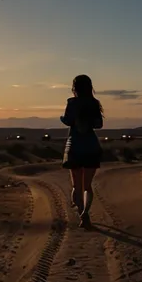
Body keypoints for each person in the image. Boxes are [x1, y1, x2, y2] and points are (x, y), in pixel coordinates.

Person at [61, 75, 103, 228]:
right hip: (91, 145)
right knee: (87, 186)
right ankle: (85, 213)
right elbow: (99, 124)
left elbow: (67, 120)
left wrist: (65, 119)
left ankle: (81, 213)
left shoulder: (71, 103)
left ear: (75, 87)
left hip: (75, 145)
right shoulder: (94, 103)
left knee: (76, 186)